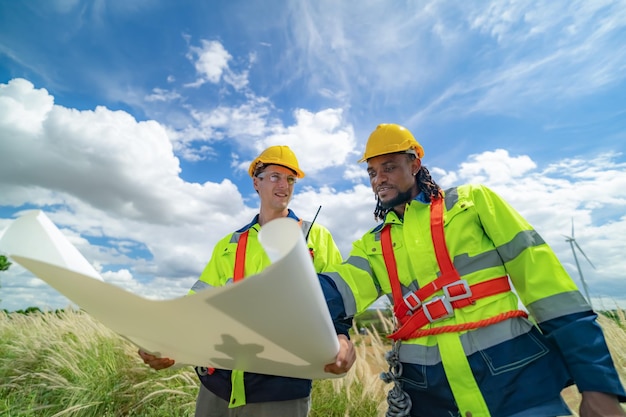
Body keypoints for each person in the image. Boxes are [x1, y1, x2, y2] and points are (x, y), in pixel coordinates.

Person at [318, 124, 626, 417]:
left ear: (414, 165)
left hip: (518, 385)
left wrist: (597, 384)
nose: (378, 179)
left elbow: (551, 291)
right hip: (431, 398)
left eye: (389, 167)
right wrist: (332, 330)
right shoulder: (371, 246)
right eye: (372, 172)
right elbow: (329, 296)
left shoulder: (473, 204)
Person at [139, 145, 355, 417]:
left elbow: (335, 304)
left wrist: (342, 338)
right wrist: (169, 344)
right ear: (256, 182)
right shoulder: (228, 245)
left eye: (291, 179)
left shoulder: (316, 237)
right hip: (216, 386)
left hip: (280, 391)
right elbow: (196, 305)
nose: (284, 185)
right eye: (276, 176)